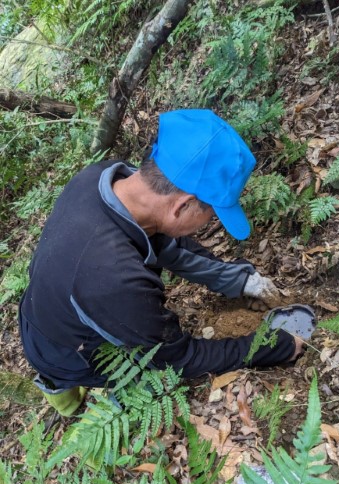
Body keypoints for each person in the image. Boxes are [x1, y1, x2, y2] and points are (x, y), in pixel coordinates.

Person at [19, 109, 303, 416]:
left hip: (48, 301)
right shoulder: (113, 280)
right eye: (211, 215)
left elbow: (168, 245)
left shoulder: (103, 178)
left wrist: (240, 281)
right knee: (128, 383)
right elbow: (176, 358)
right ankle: (95, 410)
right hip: (65, 352)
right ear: (182, 206)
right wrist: (274, 347)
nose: (208, 225)